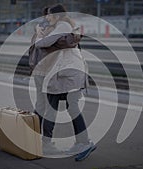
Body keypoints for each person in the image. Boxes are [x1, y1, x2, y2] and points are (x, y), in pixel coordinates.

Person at [34, 4, 96, 161]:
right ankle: (79, 142)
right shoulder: (61, 26)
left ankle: (81, 142)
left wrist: (39, 34)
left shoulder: (63, 25)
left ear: (57, 16)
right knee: (59, 106)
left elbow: (41, 43)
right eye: (46, 15)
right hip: (63, 73)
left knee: (65, 105)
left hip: (69, 73)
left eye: (49, 15)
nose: (47, 18)